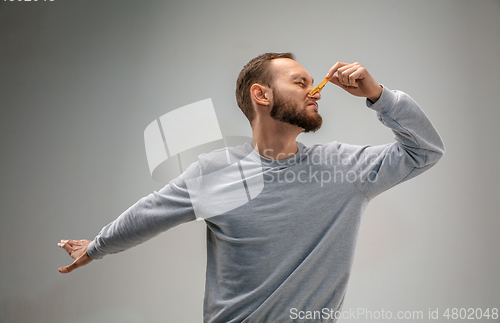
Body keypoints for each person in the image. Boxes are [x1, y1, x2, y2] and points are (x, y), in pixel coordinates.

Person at [58, 53, 445, 323]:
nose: (316, 91)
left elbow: (424, 150)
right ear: (262, 95)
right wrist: (96, 246)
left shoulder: (346, 168)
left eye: (314, 83)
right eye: (301, 83)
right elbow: (149, 213)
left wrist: (379, 96)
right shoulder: (213, 173)